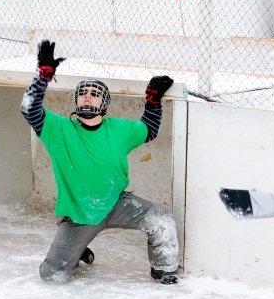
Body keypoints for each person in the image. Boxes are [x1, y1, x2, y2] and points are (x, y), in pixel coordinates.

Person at [22, 40, 180, 285]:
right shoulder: (59, 129)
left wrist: (153, 99)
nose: (88, 97)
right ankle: (78, 249)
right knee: (52, 276)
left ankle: (163, 270)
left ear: (103, 103)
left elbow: (148, 129)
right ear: (76, 100)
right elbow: (30, 110)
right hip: (79, 214)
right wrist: (42, 75)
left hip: (117, 203)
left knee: (162, 221)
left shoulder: (118, 129)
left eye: (95, 95)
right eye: (83, 93)